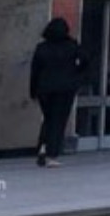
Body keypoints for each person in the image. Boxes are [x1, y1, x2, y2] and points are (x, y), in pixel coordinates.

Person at [29, 17, 88, 168]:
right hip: (65, 88)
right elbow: (85, 60)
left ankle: (42, 147)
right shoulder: (72, 46)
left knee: (49, 119)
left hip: (45, 89)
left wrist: (33, 90)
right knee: (58, 121)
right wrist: (77, 76)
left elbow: (35, 70)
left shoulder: (42, 47)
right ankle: (52, 154)